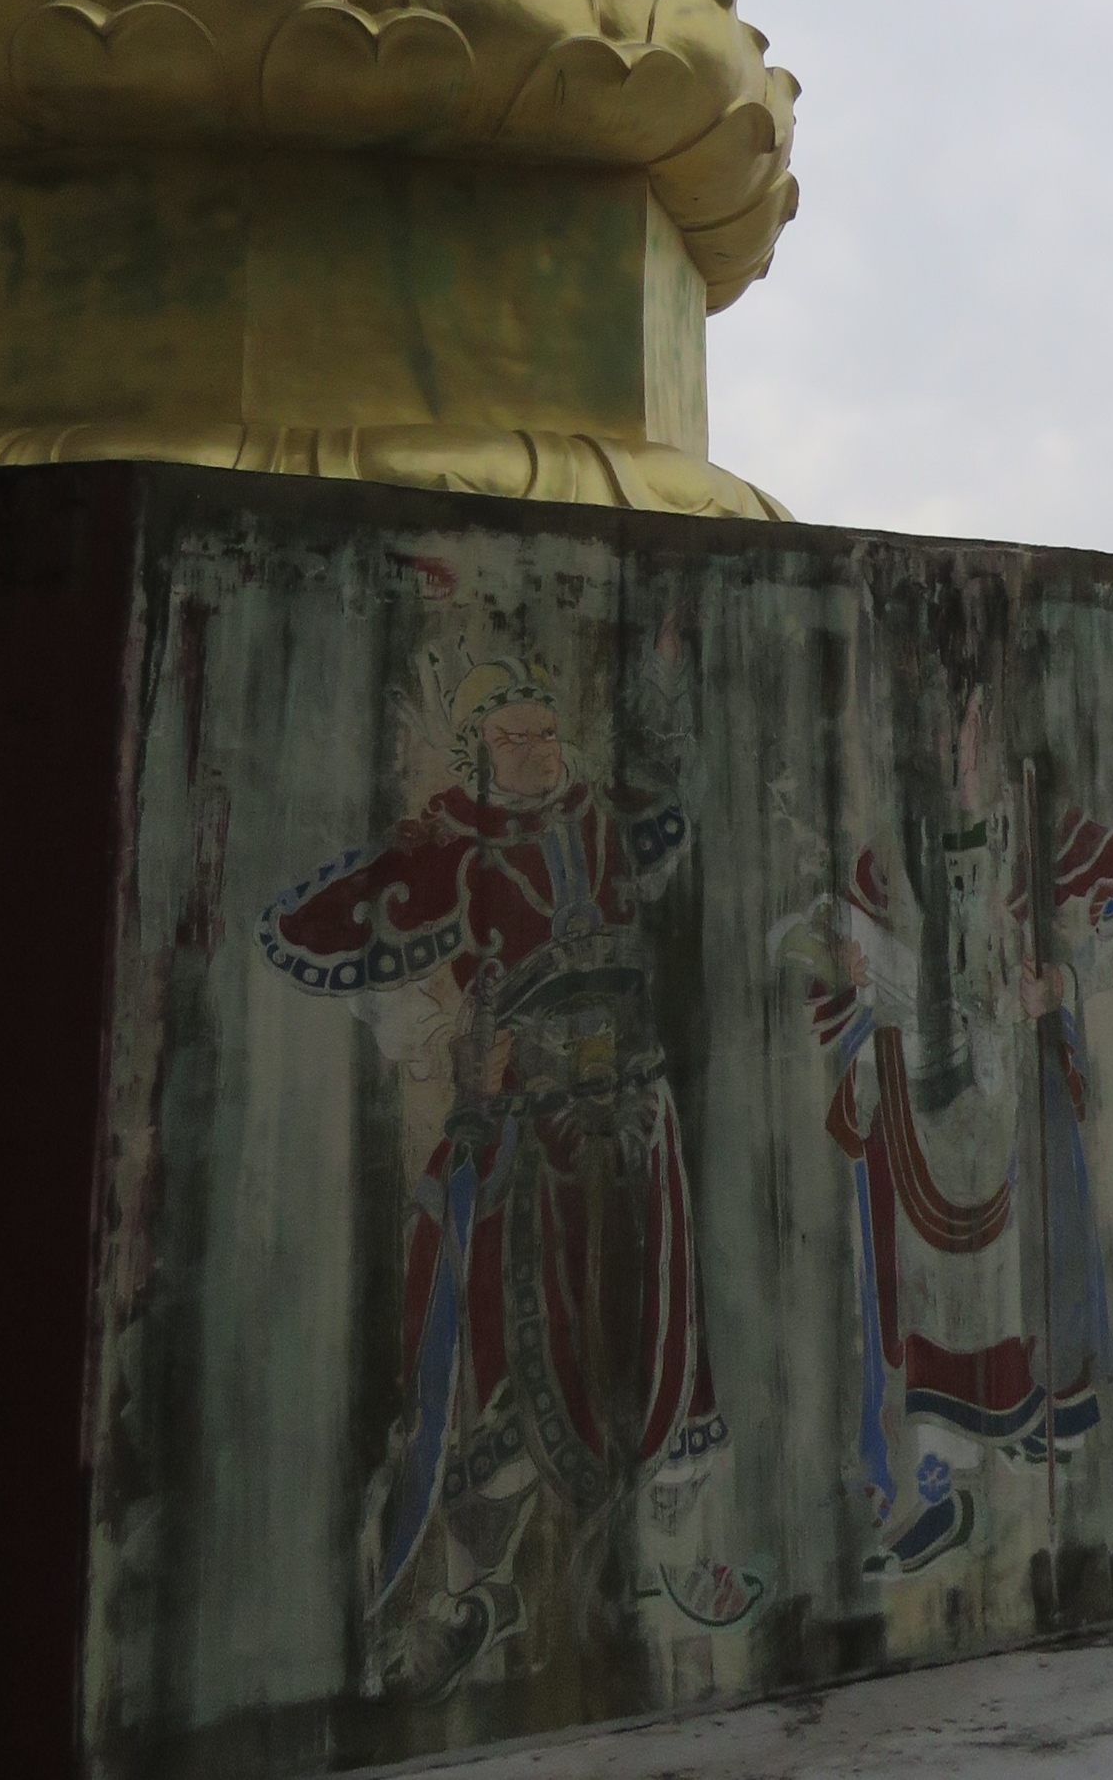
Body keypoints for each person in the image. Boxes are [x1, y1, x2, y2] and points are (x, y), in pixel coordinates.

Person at [260, 659, 748, 1696]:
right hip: (526, 1136)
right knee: (494, 1359)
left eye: (544, 731)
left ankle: (673, 1560)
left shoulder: (613, 819)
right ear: (479, 747)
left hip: (633, 1123)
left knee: (659, 1339)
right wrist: (443, 1030)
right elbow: (321, 929)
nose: (533, 752)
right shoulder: (448, 850)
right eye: (510, 737)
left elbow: (673, 814)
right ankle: (473, 1594)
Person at [779, 694, 1113, 1573]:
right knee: (926, 1310)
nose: (956, 746)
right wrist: (843, 967)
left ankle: (1031, 1444)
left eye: (969, 725)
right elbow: (815, 943)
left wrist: (1062, 982)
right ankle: (936, 1488)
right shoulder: (888, 856)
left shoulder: (1039, 834)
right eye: (941, 730)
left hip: (1013, 1114)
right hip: (919, 1119)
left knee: (1024, 1293)